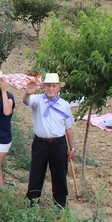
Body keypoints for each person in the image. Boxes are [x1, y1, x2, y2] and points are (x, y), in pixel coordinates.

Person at [23, 73, 76, 208]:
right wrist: (27, 94)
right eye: (48, 86)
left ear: (58, 88)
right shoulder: (37, 100)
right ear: (44, 87)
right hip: (40, 143)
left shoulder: (64, 105)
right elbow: (26, 102)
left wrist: (72, 148)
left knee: (59, 175)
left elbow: (68, 128)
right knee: (36, 173)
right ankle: (32, 203)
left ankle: (60, 206)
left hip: (58, 143)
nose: (51, 88)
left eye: (54, 86)